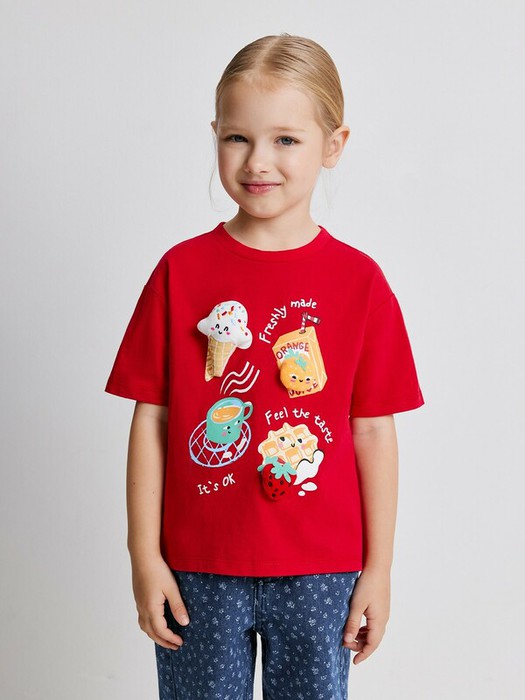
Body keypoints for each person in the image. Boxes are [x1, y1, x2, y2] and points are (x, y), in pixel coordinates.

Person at [105, 33, 424, 700]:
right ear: (215, 136)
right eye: (237, 138)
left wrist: (380, 569)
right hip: (197, 567)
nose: (258, 161)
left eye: (285, 139)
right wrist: (144, 556)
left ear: (332, 144)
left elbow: (372, 431)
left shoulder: (360, 283)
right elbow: (151, 421)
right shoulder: (179, 272)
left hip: (321, 569)